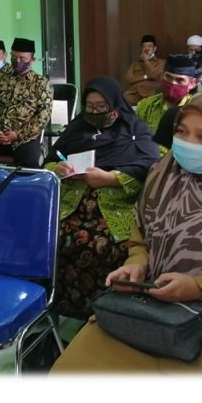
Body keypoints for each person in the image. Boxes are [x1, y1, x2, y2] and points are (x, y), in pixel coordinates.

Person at [52, 91, 202, 373]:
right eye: (182, 132)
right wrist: (137, 264)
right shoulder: (163, 173)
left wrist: (200, 287)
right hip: (152, 301)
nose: (189, 143)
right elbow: (141, 235)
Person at [43, 77, 159, 320]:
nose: (94, 112)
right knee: (47, 238)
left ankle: (105, 313)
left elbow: (150, 167)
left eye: (101, 107)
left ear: (115, 105)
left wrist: (111, 178)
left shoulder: (134, 130)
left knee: (104, 245)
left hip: (115, 203)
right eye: (90, 107)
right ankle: (58, 308)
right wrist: (58, 168)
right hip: (73, 202)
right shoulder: (76, 129)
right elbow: (50, 160)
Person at [0, 37, 52, 186]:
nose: (17, 61)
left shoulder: (41, 83)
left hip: (23, 138)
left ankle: (24, 192)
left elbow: (43, 117)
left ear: (32, 60)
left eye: (22, 58)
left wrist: (17, 134)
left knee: (29, 161)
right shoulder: (1, 79)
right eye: (14, 57)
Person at [134, 54, 201, 137]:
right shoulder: (146, 106)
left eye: (180, 80)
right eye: (168, 77)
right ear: (162, 76)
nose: (173, 83)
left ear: (192, 84)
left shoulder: (197, 112)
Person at [123, 34, 164, 106]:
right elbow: (128, 79)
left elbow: (154, 75)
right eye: (144, 46)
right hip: (135, 93)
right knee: (123, 99)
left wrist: (146, 60)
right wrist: (144, 77)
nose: (146, 48)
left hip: (151, 94)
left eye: (149, 46)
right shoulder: (135, 63)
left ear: (154, 49)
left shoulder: (161, 62)